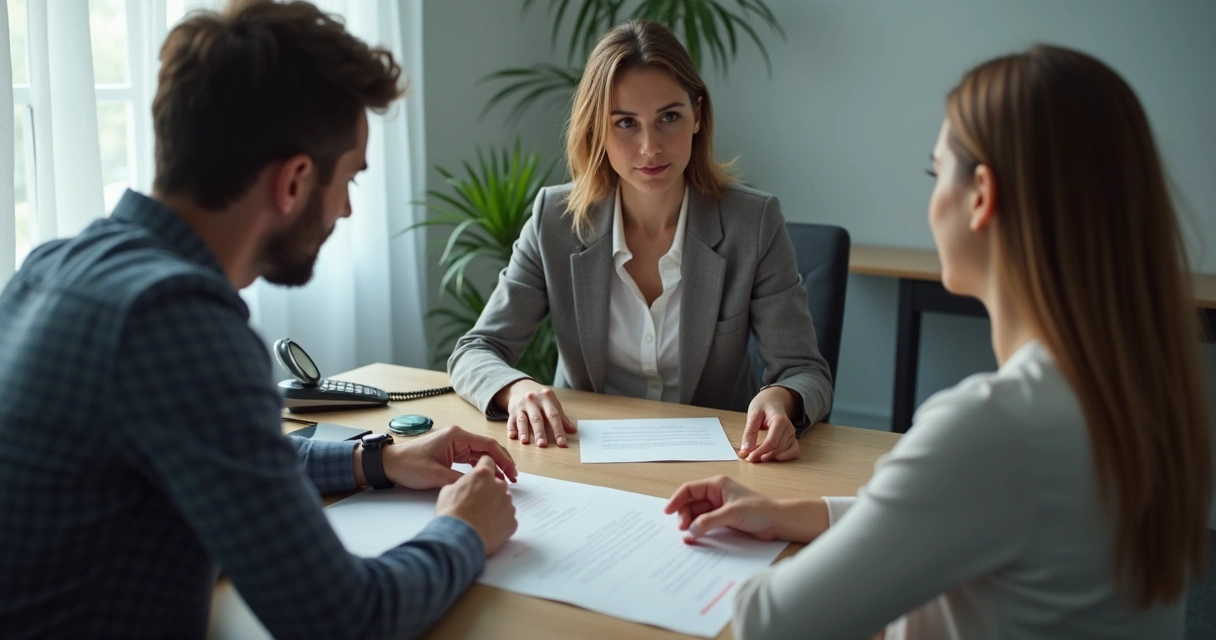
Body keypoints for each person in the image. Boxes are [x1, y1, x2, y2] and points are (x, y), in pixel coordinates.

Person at [0, 2, 518, 638]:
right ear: (294, 181)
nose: (347, 211)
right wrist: (463, 530)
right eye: (349, 179)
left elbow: (234, 456)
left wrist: (378, 458)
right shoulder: (178, 322)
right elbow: (346, 619)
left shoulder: (55, 265)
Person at [665, 44, 1211, 639]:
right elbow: (963, 511)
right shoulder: (1137, 393)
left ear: (981, 196)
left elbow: (772, 624)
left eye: (936, 172)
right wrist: (789, 514)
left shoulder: (993, 428)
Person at [448, 20, 833, 463]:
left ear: (697, 115)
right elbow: (475, 351)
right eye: (626, 123)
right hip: (582, 456)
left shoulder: (753, 223)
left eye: (668, 117)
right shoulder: (554, 220)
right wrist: (517, 389)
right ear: (596, 129)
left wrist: (781, 398)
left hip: (721, 462)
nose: (650, 147)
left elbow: (805, 371)